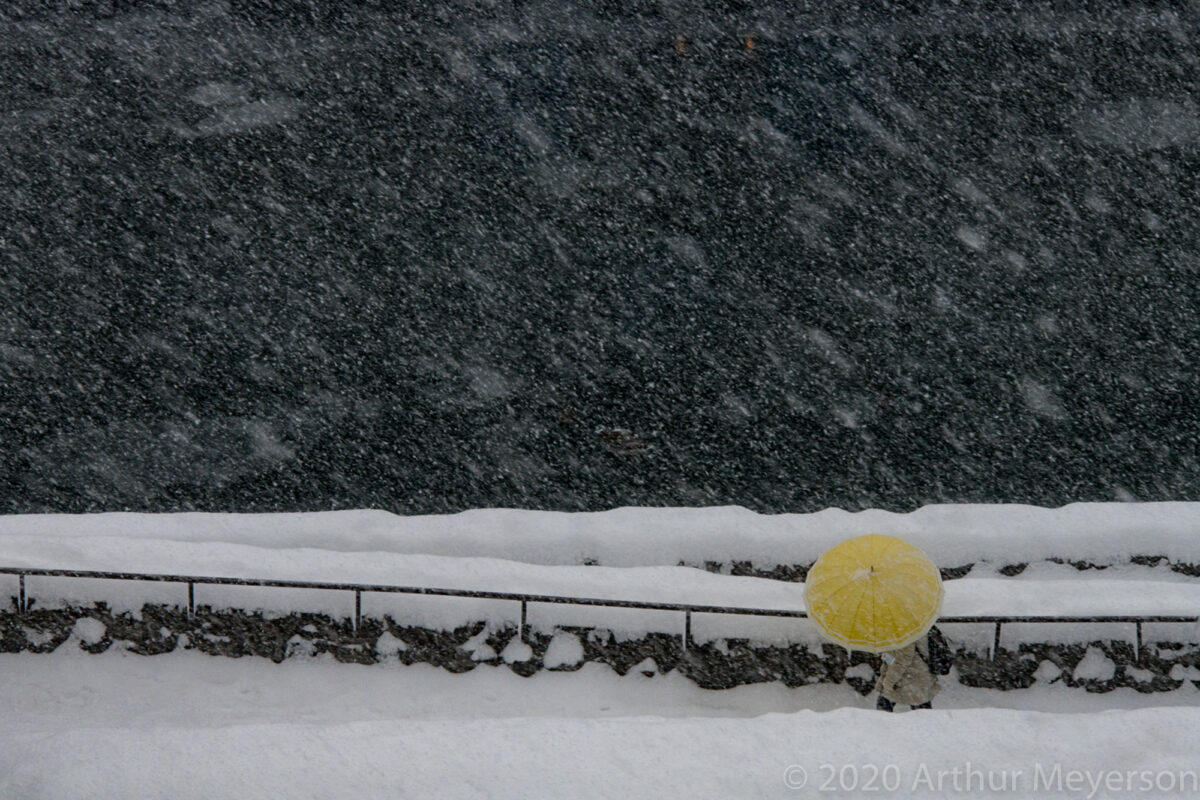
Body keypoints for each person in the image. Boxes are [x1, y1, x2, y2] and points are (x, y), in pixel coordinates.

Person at [875, 625, 952, 711]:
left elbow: (901, 662)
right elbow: (893, 660)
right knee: (922, 713)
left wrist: (888, 683)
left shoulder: (904, 631)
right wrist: (883, 654)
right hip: (917, 678)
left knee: (884, 709)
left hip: (913, 679)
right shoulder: (913, 627)